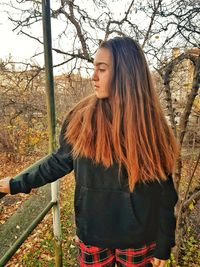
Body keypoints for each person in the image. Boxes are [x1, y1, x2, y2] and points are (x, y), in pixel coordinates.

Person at [0, 36, 179, 267]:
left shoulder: (151, 127)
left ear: (125, 74)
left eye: (101, 69)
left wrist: (163, 246)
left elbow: (165, 194)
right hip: (92, 235)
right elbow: (57, 162)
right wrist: (16, 183)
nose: (93, 77)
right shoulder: (81, 118)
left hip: (138, 239)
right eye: (93, 68)